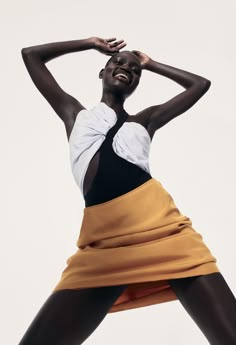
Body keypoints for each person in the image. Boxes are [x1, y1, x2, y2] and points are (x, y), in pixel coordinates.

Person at [19, 36, 236, 345]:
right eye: (117, 63)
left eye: (134, 70)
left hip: (167, 235)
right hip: (104, 247)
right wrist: (89, 43)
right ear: (102, 73)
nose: (126, 68)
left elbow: (199, 85)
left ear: (137, 82)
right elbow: (31, 55)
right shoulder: (74, 114)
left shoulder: (146, 120)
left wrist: (151, 64)